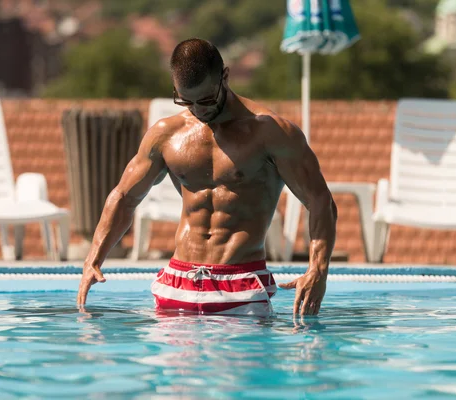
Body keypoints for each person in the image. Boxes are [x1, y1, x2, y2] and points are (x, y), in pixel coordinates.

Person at [77, 38, 337, 316]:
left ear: (225, 76)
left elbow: (320, 201)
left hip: (241, 283)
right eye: (186, 101)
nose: (198, 109)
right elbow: (124, 197)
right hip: (177, 283)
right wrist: (94, 257)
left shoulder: (271, 133)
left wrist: (317, 270)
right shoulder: (166, 133)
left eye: (206, 99)